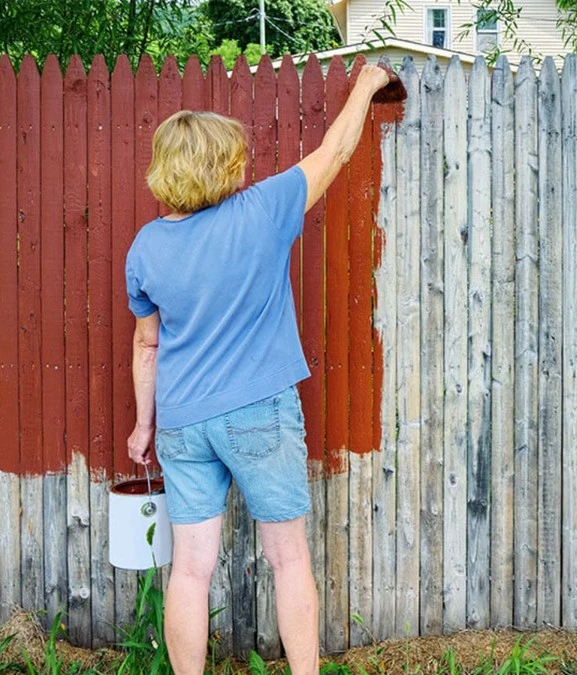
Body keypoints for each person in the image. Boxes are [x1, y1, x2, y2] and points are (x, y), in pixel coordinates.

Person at [125, 64, 392, 675]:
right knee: (288, 558)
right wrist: (368, 83)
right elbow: (337, 148)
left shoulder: (145, 248)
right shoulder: (263, 211)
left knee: (190, 568)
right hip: (258, 414)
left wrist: (145, 425)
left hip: (183, 424)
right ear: (223, 166)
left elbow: (147, 346)